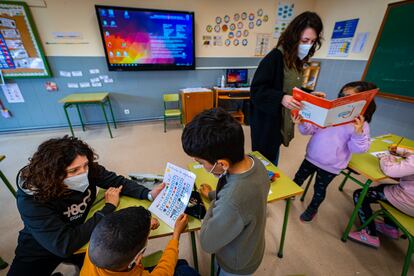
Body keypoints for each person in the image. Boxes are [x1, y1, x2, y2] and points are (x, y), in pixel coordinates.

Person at [8, 136, 164, 276]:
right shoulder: (31, 200)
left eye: (85, 165)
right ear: (53, 175)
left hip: (85, 234)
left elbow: (117, 182)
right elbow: (64, 245)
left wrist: (148, 194)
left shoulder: (87, 168)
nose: (83, 173)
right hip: (42, 247)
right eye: (74, 170)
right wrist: (108, 208)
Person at [181, 108, 270, 276]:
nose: (199, 164)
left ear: (222, 164)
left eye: (200, 162)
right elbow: (235, 193)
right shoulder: (254, 161)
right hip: (252, 245)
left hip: (236, 264)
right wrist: (212, 194)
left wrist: (216, 202)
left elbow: (208, 243)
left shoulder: (231, 201)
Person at [291, 81, 377, 222]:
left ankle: (312, 208)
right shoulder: (329, 115)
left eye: (348, 97)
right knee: (298, 178)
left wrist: (358, 133)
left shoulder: (362, 125)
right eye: (341, 95)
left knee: (319, 190)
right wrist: (302, 122)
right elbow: (311, 130)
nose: (342, 99)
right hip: (311, 157)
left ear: (363, 102)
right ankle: (291, 193)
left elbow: (358, 149)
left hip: (331, 166)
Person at [250, 11, 323, 165]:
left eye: (312, 41)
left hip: (281, 120)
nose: (308, 45)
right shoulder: (274, 58)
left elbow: (291, 88)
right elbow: (257, 91)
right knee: (265, 161)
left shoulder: (295, 60)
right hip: (267, 122)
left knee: (273, 157)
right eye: (305, 40)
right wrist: (281, 98)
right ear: (294, 37)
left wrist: (309, 95)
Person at [80, 207, 199, 275]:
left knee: (181, 263)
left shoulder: (97, 242)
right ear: (138, 258)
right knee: (185, 271)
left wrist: (145, 224)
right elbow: (164, 270)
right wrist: (176, 234)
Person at [348, 147, 414, 248]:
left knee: (361, 194)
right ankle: (390, 228)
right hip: (410, 198)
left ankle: (369, 234)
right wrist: (401, 151)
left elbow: (390, 171)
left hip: (408, 202)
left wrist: (385, 157)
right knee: (384, 188)